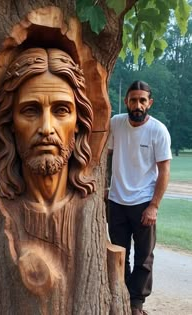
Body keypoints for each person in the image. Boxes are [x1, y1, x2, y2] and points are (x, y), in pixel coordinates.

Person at [0, 47, 96, 203]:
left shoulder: (85, 211)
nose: (46, 129)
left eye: (61, 110)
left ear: (78, 121)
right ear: (11, 121)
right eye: (30, 111)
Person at [107, 80, 172, 315]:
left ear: (149, 103)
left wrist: (154, 206)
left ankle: (136, 305)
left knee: (144, 257)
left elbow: (164, 171)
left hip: (144, 203)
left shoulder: (158, 130)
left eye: (142, 100)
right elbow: (107, 156)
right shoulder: (116, 123)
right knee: (118, 255)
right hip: (116, 202)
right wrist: (105, 188)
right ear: (126, 101)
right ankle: (120, 298)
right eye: (133, 99)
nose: (137, 104)